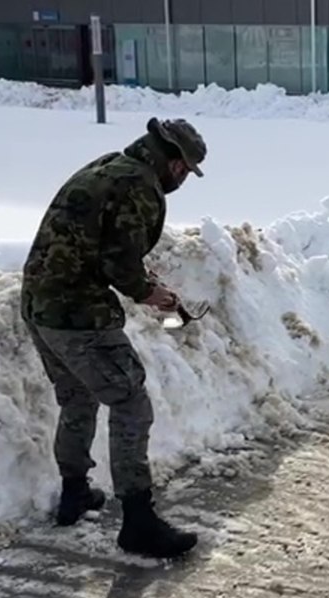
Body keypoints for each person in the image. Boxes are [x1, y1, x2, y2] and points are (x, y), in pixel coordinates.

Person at [19, 117, 207, 559]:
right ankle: (138, 522)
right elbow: (118, 261)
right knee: (130, 401)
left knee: (78, 397)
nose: (183, 178)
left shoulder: (107, 166)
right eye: (185, 169)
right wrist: (147, 292)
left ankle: (74, 494)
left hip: (39, 303)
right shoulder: (139, 185)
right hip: (78, 314)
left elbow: (97, 244)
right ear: (172, 160)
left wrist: (141, 281)